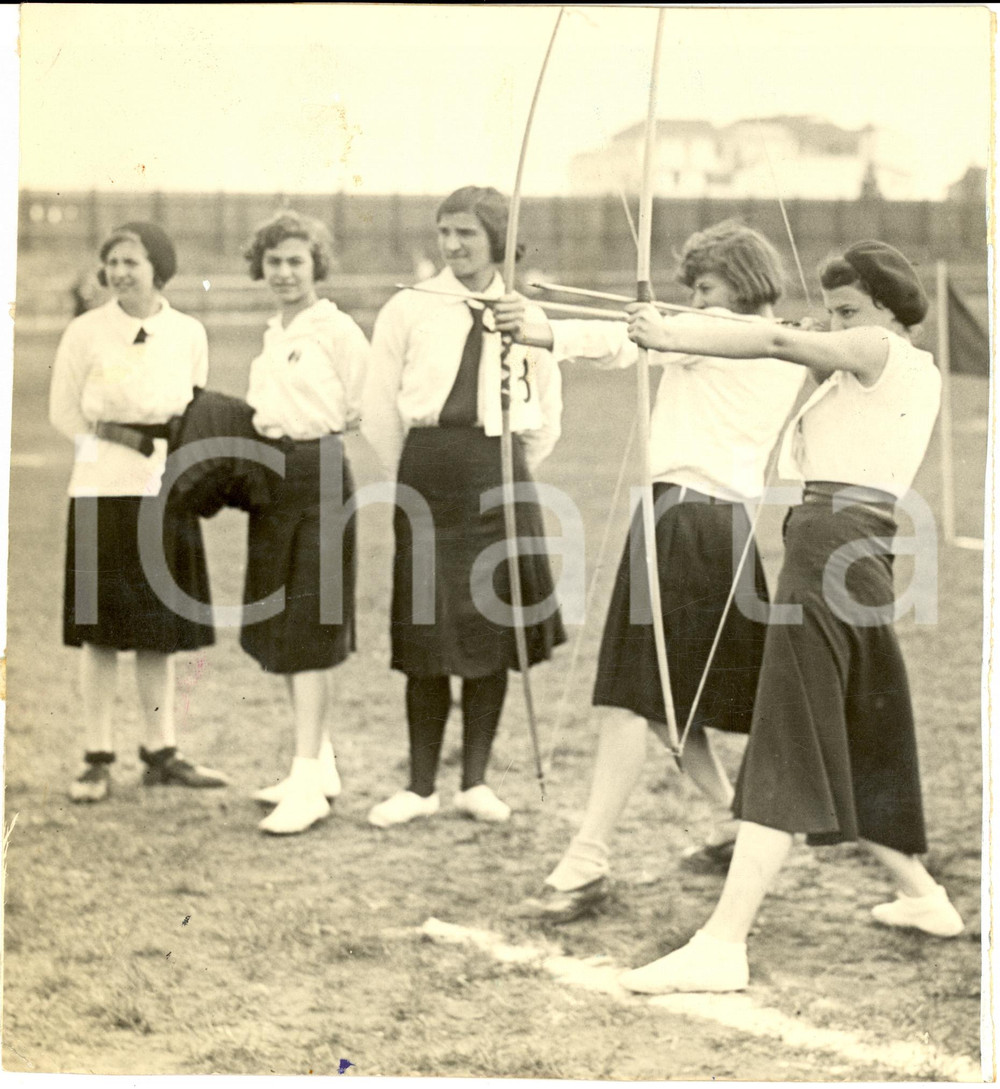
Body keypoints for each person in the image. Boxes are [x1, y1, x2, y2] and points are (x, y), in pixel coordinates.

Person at [616, 240, 963, 995]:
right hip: (854, 546)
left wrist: (671, 332)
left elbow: (773, 338)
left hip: (831, 546)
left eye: (847, 309)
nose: (833, 321)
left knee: (788, 731)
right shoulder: (892, 368)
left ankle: (723, 942)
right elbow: (795, 366)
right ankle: (924, 895)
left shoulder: (878, 349)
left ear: (884, 309)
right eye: (831, 309)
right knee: (856, 727)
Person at [494, 221, 807, 921]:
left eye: (705, 284)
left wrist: (540, 326)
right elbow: (643, 335)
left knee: (636, 696)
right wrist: (631, 326)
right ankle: (740, 820)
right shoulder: (777, 340)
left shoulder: (718, 336)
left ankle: (587, 860)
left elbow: (621, 340)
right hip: (723, 527)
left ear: (740, 280)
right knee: (677, 705)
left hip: (683, 519)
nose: (695, 298)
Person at [362, 185, 565, 828]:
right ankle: (420, 786)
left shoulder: (526, 314)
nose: (452, 245)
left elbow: (546, 418)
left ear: (497, 240)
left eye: (467, 234)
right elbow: (378, 408)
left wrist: (502, 469)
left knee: (489, 630)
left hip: (501, 475)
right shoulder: (409, 308)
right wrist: (418, 474)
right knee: (428, 632)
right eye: (445, 232)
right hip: (426, 474)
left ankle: (475, 781)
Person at [50, 221, 228, 802]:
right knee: (101, 635)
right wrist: (115, 450)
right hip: (101, 490)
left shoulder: (187, 332)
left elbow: (193, 407)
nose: (120, 272)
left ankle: (161, 750)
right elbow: (64, 413)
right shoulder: (85, 331)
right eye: (113, 262)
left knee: (157, 630)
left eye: (132, 261)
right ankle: (97, 757)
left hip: (167, 491)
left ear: (158, 267)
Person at [241, 211, 370, 836]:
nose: (285, 272)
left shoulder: (335, 328)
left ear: (316, 265)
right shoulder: (274, 332)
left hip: (319, 472)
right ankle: (315, 767)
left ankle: (308, 781)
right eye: (274, 262)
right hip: (274, 478)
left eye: (296, 261)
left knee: (310, 622)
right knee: (285, 622)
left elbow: (364, 403)